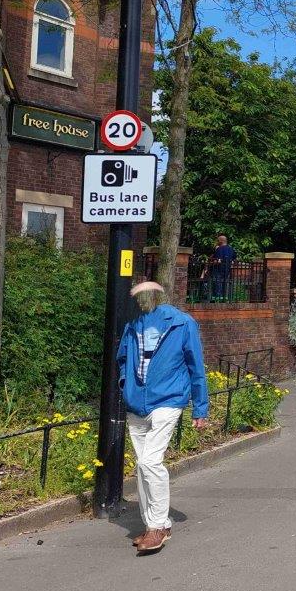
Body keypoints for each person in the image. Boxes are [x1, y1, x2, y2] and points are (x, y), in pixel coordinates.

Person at [117, 281, 208, 555]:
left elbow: (196, 365)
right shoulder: (133, 325)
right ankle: (156, 524)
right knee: (142, 467)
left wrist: (200, 407)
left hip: (168, 399)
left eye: (143, 295)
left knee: (149, 461)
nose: (139, 300)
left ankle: (156, 527)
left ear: (155, 296)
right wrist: (125, 383)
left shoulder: (181, 323)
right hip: (137, 402)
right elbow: (123, 357)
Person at [210, 234, 236, 301]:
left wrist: (211, 263)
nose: (217, 242)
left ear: (220, 241)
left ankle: (217, 299)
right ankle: (224, 299)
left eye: (218, 240)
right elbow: (233, 260)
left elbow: (217, 261)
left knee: (217, 284)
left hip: (218, 270)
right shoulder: (231, 249)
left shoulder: (219, 249)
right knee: (224, 284)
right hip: (227, 270)